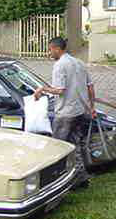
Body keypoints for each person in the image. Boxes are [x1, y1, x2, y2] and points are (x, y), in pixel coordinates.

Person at [34, 37, 95, 185]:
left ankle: (57, 181)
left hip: (65, 114)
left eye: (50, 50)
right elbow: (90, 87)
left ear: (56, 49)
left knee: (58, 148)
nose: (49, 53)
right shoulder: (79, 63)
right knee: (75, 146)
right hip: (80, 111)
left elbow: (60, 90)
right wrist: (92, 107)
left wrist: (42, 89)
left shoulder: (60, 65)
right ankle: (80, 178)